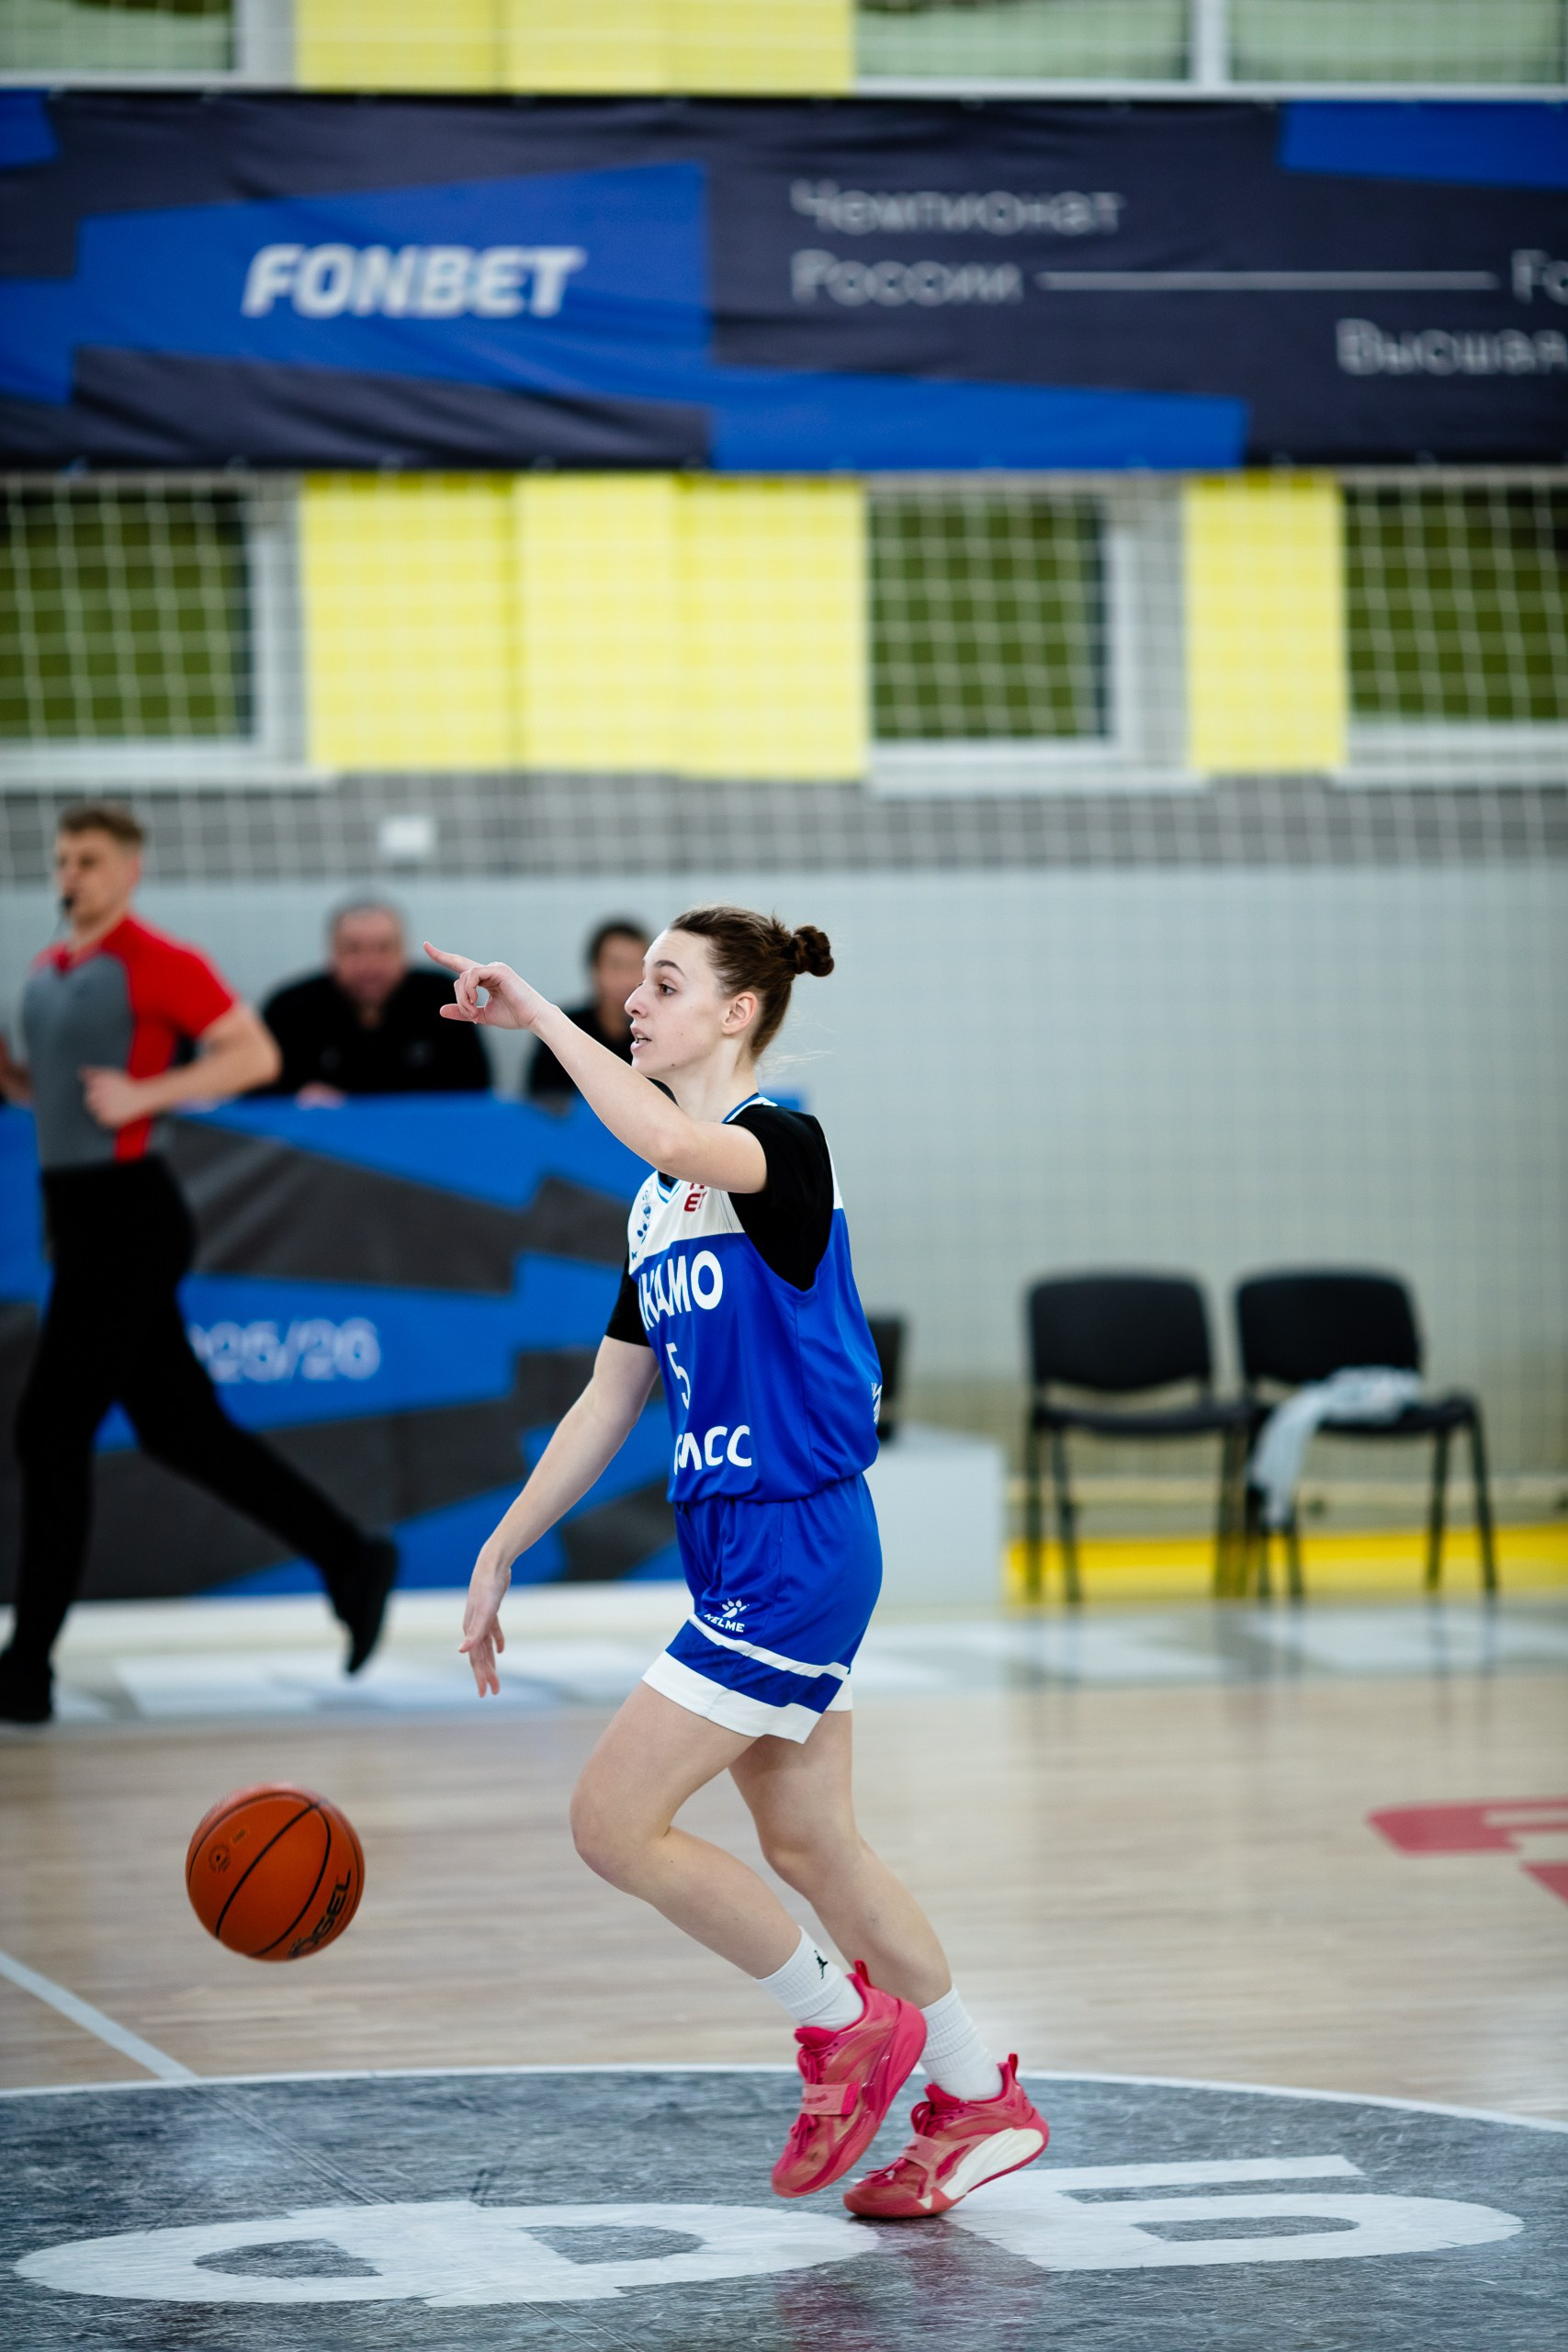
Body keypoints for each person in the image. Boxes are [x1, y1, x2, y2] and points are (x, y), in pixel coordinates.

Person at [423, 907, 1048, 2219]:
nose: (635, 1003)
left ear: (736, 1013)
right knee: (814, 1846)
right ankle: (976, 2092)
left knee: (610, 1823)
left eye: (664, 984)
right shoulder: (656, 1209)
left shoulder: (781, 1147)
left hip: (794, 1541)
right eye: (635, 986)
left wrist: (536, 1016)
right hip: (738, 1550)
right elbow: (608, 1398)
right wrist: (499, 1545)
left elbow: (666, 1134)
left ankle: (839, 2024)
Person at [0, 803, 398, 1725]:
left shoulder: (157, 960)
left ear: (128, 869)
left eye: (90, 860)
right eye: (63, 860)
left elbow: (252, 1054)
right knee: (181, 1429)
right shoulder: (48, 971)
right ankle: (350, 1556)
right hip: (78, 1217)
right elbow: (49, 1099)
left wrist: (151, 1091)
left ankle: (27, 1667)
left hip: (130, 1218)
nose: (72, 876)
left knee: (50, 1430)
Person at [261, 900, 491, 1102]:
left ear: (403, 950)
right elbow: (258, 1092)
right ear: (333, 952)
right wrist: (297, 1097)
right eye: (353, 949)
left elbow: (477, 1088)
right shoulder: (290, 1010)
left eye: (384, 948)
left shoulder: (444, 1000)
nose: (369, 963)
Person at [524, 919, 649, 1104]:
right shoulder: (562, 1028)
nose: (628, 979)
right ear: (594, 969)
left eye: (638, 967)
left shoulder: (659, 1033)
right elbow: (543, 1098)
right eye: (617, 966)